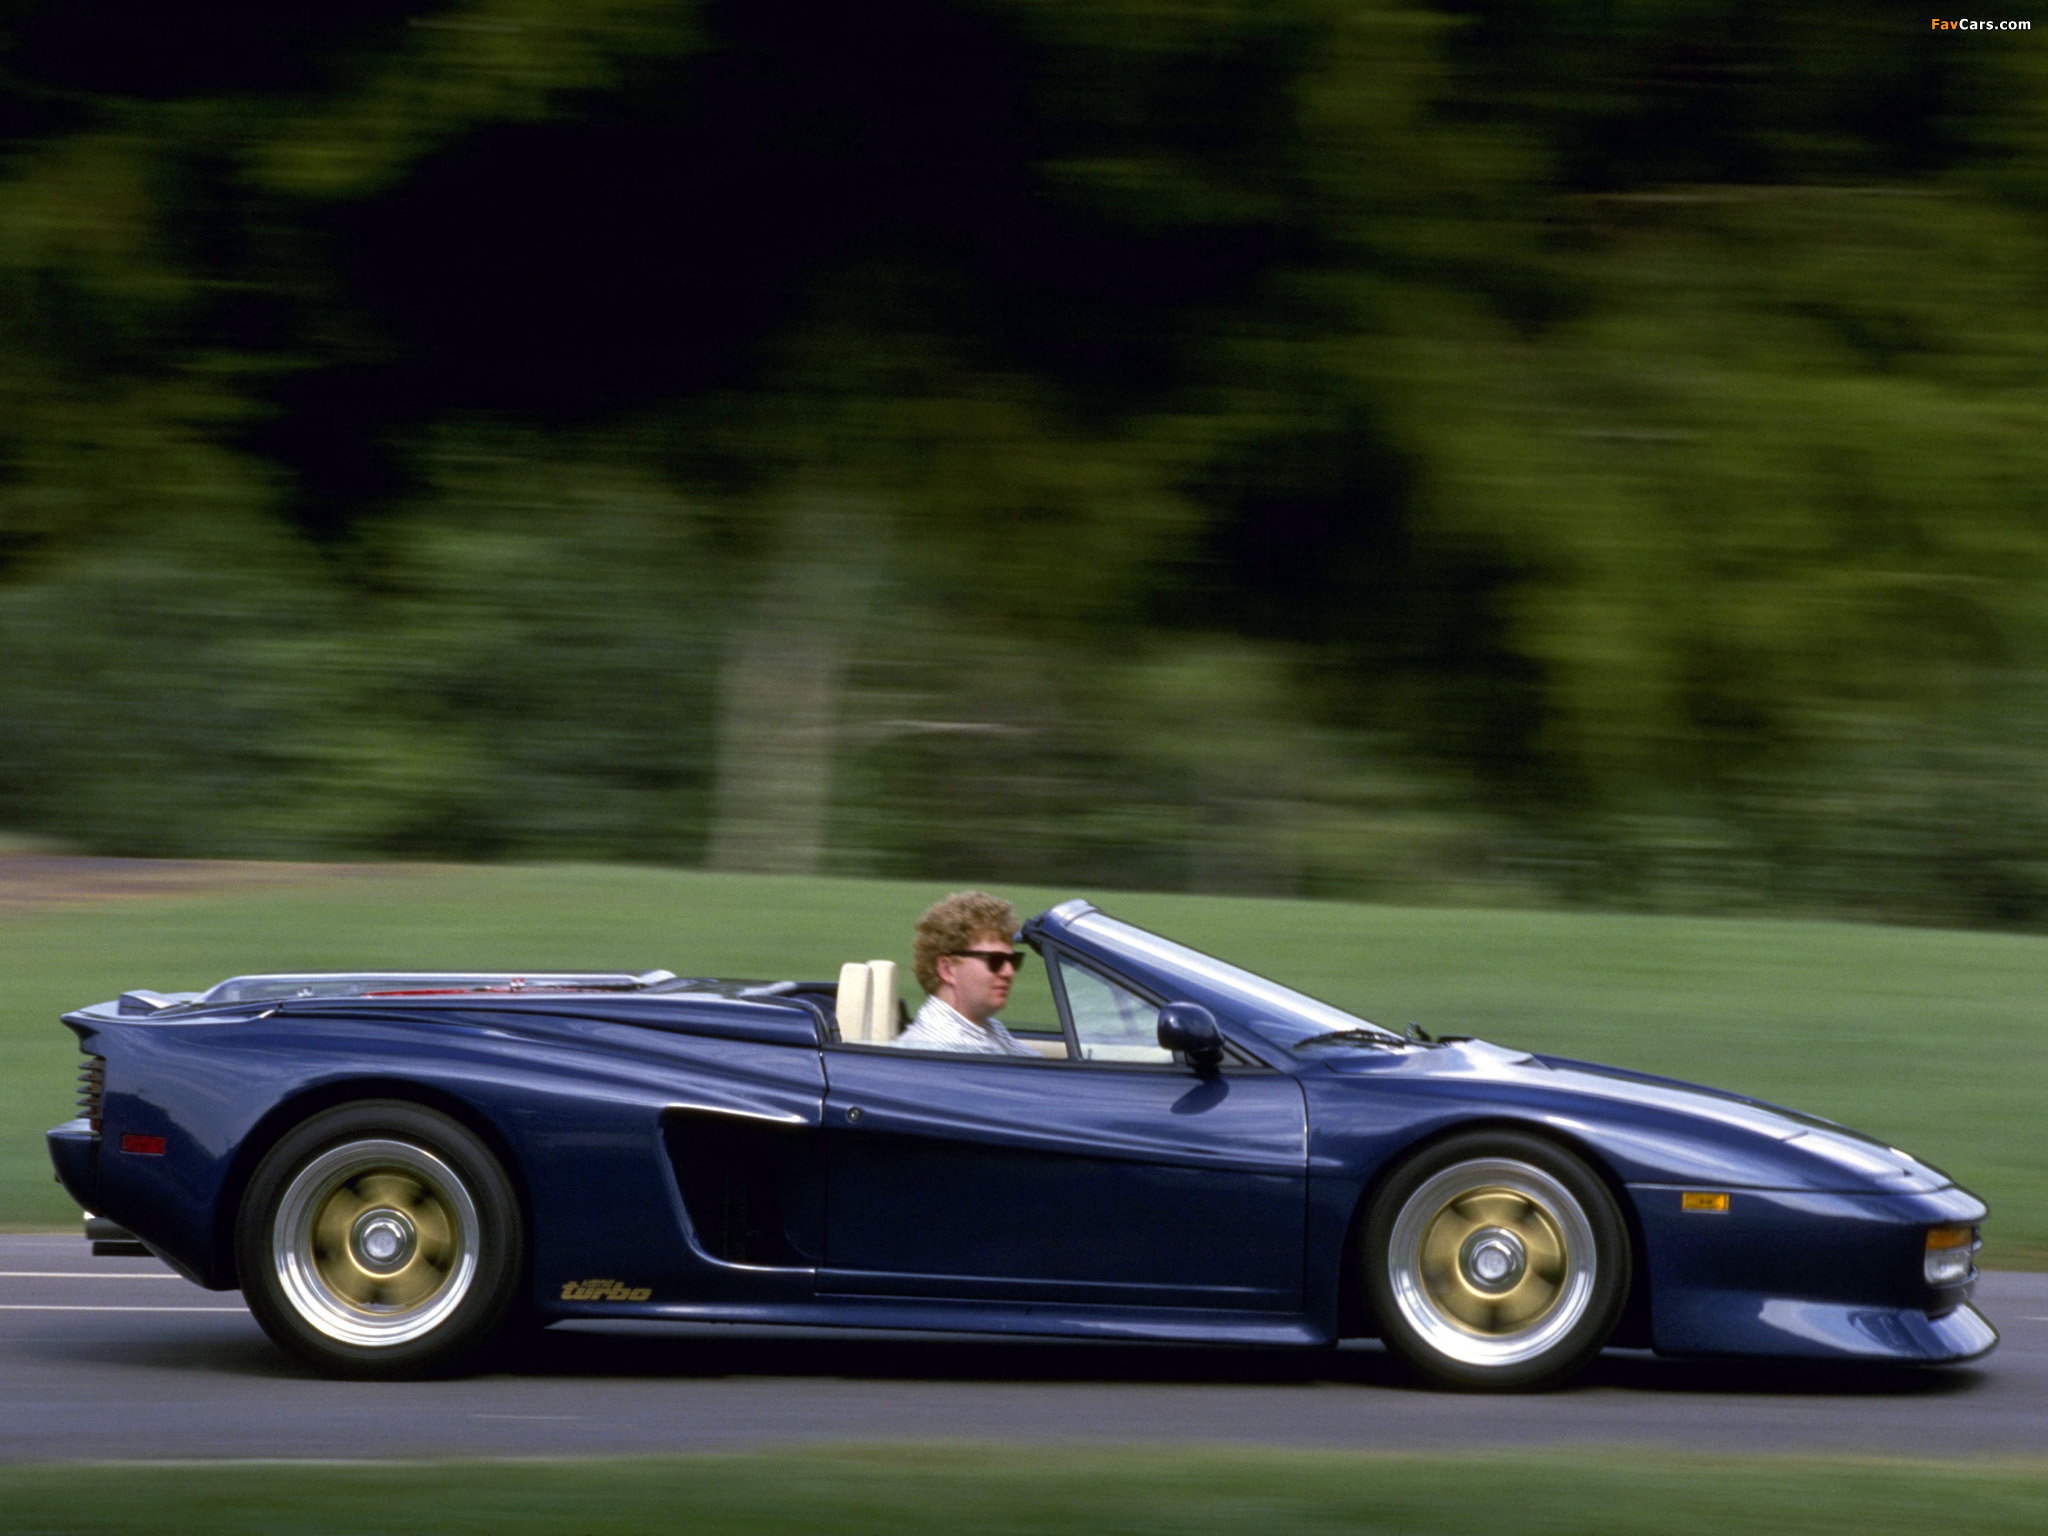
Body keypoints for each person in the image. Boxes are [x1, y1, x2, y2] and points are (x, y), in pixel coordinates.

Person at [893, 890, 1037, 1055]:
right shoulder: (937, 1049)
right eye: (995, 960)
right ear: (947, 970)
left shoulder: (987, 1030)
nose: (1009, 972)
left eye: (1013, 960)